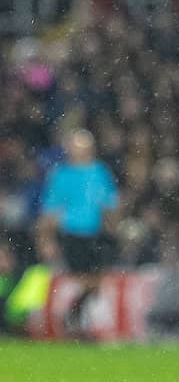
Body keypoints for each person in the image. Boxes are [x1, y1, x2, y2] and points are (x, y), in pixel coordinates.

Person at [36, 128, 118, 338]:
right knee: (85, 280)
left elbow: (110, 204)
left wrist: (113, 228)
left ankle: (75, 318)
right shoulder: (61, 175)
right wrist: (46, 240)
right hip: (72, 233)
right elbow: (50, 210)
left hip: (96, 234)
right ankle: (77, 320)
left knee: (96, 282)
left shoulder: (99, 172)